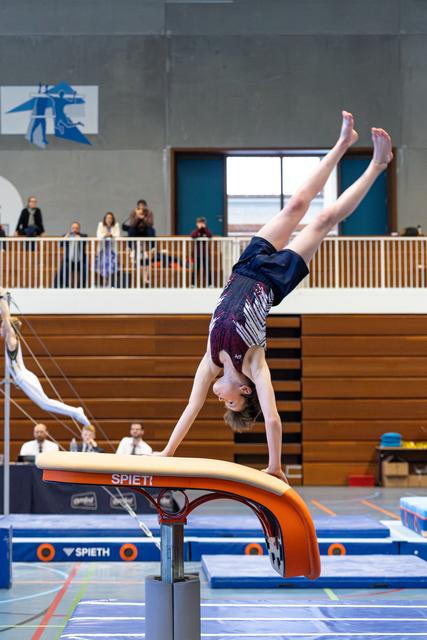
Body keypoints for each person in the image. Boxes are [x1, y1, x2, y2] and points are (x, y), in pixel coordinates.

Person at [153, 112, 393, 482]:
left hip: (244, 267)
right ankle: (377, 165)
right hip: (274, 281)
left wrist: (167, 452)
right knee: (322, 219)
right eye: (230, 401)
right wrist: (275, 465)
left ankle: (344, 143)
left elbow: (190, 408)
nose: (221, 399)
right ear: (245, 391)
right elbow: (274, 419)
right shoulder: (254, 366)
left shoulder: (209, 363)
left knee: (296, 204)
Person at [0, 289, 90, 426]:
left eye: (2, 327)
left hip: (24, 377)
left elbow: (6, 318)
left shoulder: (11, 339)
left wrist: (2, 299)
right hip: (22, 378)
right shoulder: (10, 339)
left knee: (46, 404)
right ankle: (75, 412)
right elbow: (6, 319)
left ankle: (76, 412)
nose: (0, 329)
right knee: (45, 404)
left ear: (8, 329)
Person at [54, 221, 88, 288]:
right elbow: (60, 245)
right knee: (62, 268)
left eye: (76, 228)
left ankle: (82, 286)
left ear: (79, 229)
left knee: (85, 268)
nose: (74, 230)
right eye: (73, 228)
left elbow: (85, 242)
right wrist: (65, 238)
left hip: (80, 261)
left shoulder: (83, 236)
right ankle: (66, 285)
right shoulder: (66, 235)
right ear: (71, 229)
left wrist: (80, 239)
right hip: (68, 260)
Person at [95, 212, 120, 280]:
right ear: (105, 219)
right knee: (102, 265)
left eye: (111, 218)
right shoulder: (101, 224)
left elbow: (117, 235)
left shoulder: (116, 225)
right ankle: (104, 282)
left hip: (112, 249)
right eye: (108, 218)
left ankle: (110, 282)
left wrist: (111, 235)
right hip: (102, 249)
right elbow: (98, 235)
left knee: (112, 265)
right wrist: (105, 235)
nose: (109, 219)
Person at [190, 217, 213, 286]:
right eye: (199, 223)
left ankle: (209, 284)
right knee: (196, 269)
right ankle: (193, 284)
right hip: (197, 254)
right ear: (197, 224)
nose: (201, 224)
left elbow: (210, 235)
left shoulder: (206, 231)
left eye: (202, 222)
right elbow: (193, 236)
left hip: (205, 254)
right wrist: (199, 229)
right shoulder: (196, 231)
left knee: (207, 269)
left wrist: (204, 228)